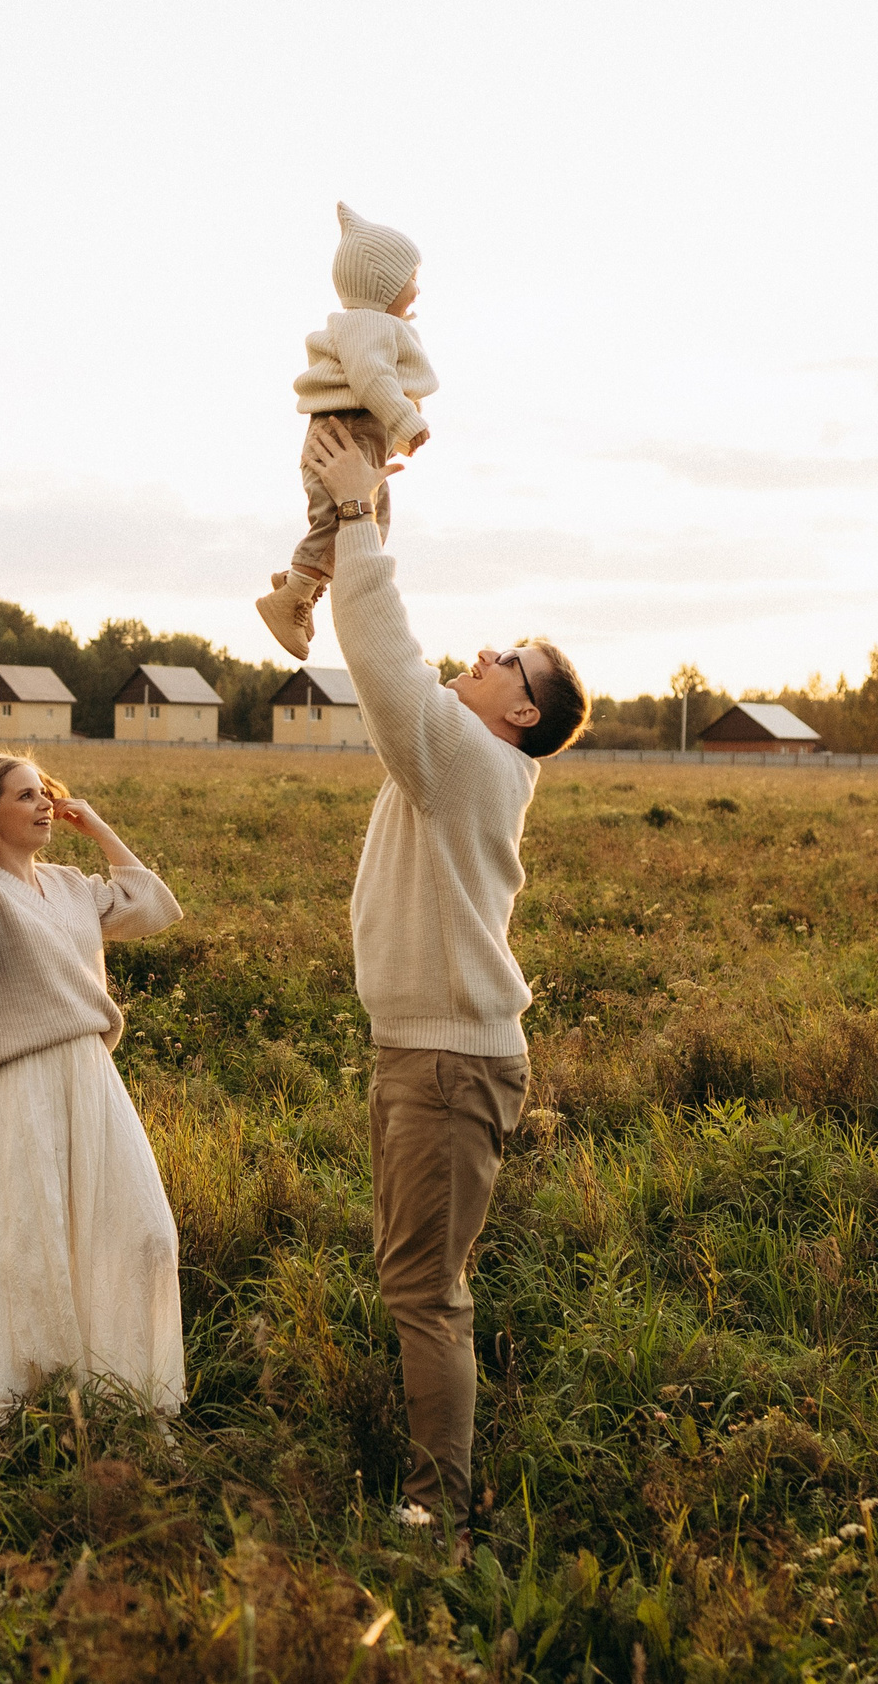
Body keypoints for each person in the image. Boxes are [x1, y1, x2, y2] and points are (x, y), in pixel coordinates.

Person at [304, 415, 590, 1527]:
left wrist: (357, 518)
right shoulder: (460, 751)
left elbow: (378, 651)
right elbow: (392, 640)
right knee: (415, 1282)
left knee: (426, 1296)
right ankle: (433, 1492)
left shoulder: (468, 757)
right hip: (422, 1056)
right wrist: (367, 503)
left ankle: (434, 1520)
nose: (475, 660)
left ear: (520, 711)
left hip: (444, 1065)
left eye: (499, 664)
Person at [0, 752, 187, 1430]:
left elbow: (149, 905)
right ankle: (26, 1402)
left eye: (44, 793)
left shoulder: (67, 884)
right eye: (24, 795)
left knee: (146, 1230)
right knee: (26, 1245)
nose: (43, 804)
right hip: (19, 1084)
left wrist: (99, 829)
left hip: (91, 1076)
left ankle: (121, 1383)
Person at [256, 203, 439, 661]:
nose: (418, 287)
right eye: (412, 276)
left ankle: (299, 586)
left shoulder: (378, 325)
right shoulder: (367, 325)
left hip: (354, 431)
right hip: (347, 434)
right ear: (383, 284)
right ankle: (293, 595)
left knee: (370, 529)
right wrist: (405, 421)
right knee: (343, 521)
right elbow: (371, 377)